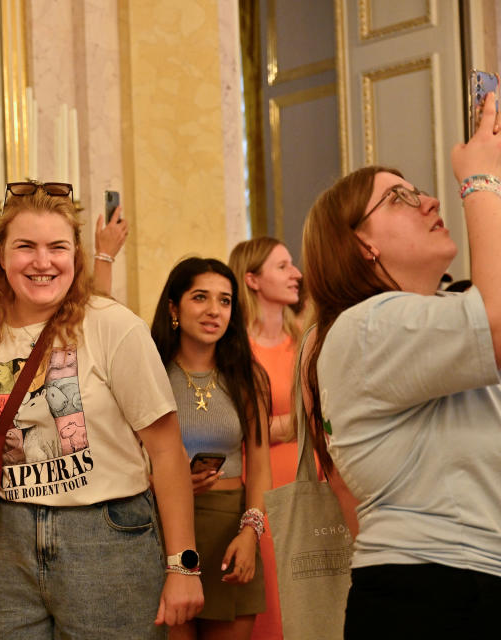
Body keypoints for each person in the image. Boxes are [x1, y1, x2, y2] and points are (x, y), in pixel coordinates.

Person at [0, 181, 204, 639]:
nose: (43, 262)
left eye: (57, 247)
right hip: (5, 544)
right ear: (1, 256)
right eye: (25, 247)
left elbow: (165, 451)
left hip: (108, 538)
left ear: (76, 256)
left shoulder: (113, 327)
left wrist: (183, 566)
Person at [300, 95, 501, 637]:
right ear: (360, 242)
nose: (431, 201)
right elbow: (498, 318)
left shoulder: (434, 322)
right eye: (399, 197)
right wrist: (480, 180)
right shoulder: (363, 329)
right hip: (430, 592)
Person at [151, 257, 272, 640]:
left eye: (224, 301)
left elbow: (261, 466)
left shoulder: (247, 375)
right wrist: (167, 484)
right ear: (174, 307)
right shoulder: (150, 372)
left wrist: (251, 532)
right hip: (161, 529)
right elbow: (124, 457)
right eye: (200, 297)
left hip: (231, 533)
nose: (213, 311)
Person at [228, 237, 302, 640]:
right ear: (252, 279)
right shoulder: (237, 349)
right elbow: (234, 429)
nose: (297, 274)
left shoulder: (306, 339)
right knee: (271, 609)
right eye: (283, 266)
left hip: (312, 480)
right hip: (262, 490)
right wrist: (296, 423)